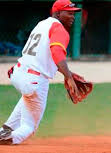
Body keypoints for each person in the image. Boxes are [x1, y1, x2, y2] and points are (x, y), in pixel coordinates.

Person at [0, 0, 82, 145]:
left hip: (19, 73)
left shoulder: (42, 24)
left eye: (73, 13)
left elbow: (43, 55)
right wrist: (68, 76)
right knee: (29, 127)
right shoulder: (59, 29)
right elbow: (56, 52)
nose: (72, 16)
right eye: (68, 13)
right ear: (57, 13)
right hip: (34, 80)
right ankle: (8, 138)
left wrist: (67, 72)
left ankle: (6, 129)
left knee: (28, 98)